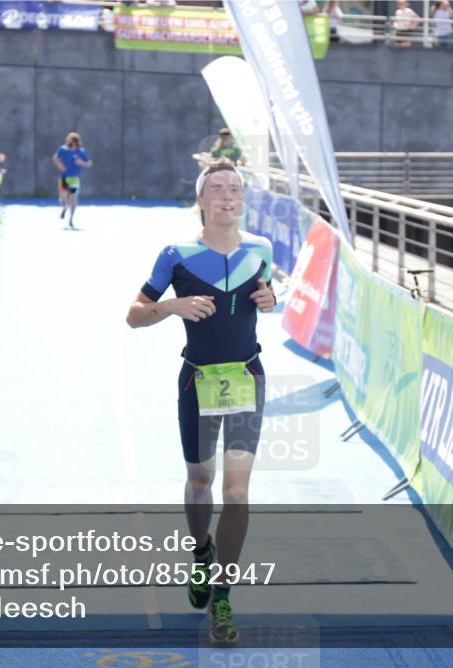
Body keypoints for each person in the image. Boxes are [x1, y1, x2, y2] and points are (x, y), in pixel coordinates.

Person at [125, 158, 276, 645]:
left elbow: (268, 291)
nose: (228, 196)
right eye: (218, 189)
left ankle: (223, 593)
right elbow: (134, 315)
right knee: (199, 478)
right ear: (201, 201)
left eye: (235, 188)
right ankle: (200, 553)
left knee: (235, 493)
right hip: (197, 381)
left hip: (247, 376)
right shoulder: (176, 254)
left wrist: (273, 299)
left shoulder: (262, 249)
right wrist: (171, 306)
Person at [51, 132, 93, 228]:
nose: (73, 143)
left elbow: (89, 163)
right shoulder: (63, 149)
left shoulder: (81, 151)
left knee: (73, 198)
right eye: (71, 141)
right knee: (62, 198)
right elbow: (55, 158)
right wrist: (61, 166)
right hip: (64, 177)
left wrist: (81, 162)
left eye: (75, 141)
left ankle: (71, 218)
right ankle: (64, 207)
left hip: (74, 178)